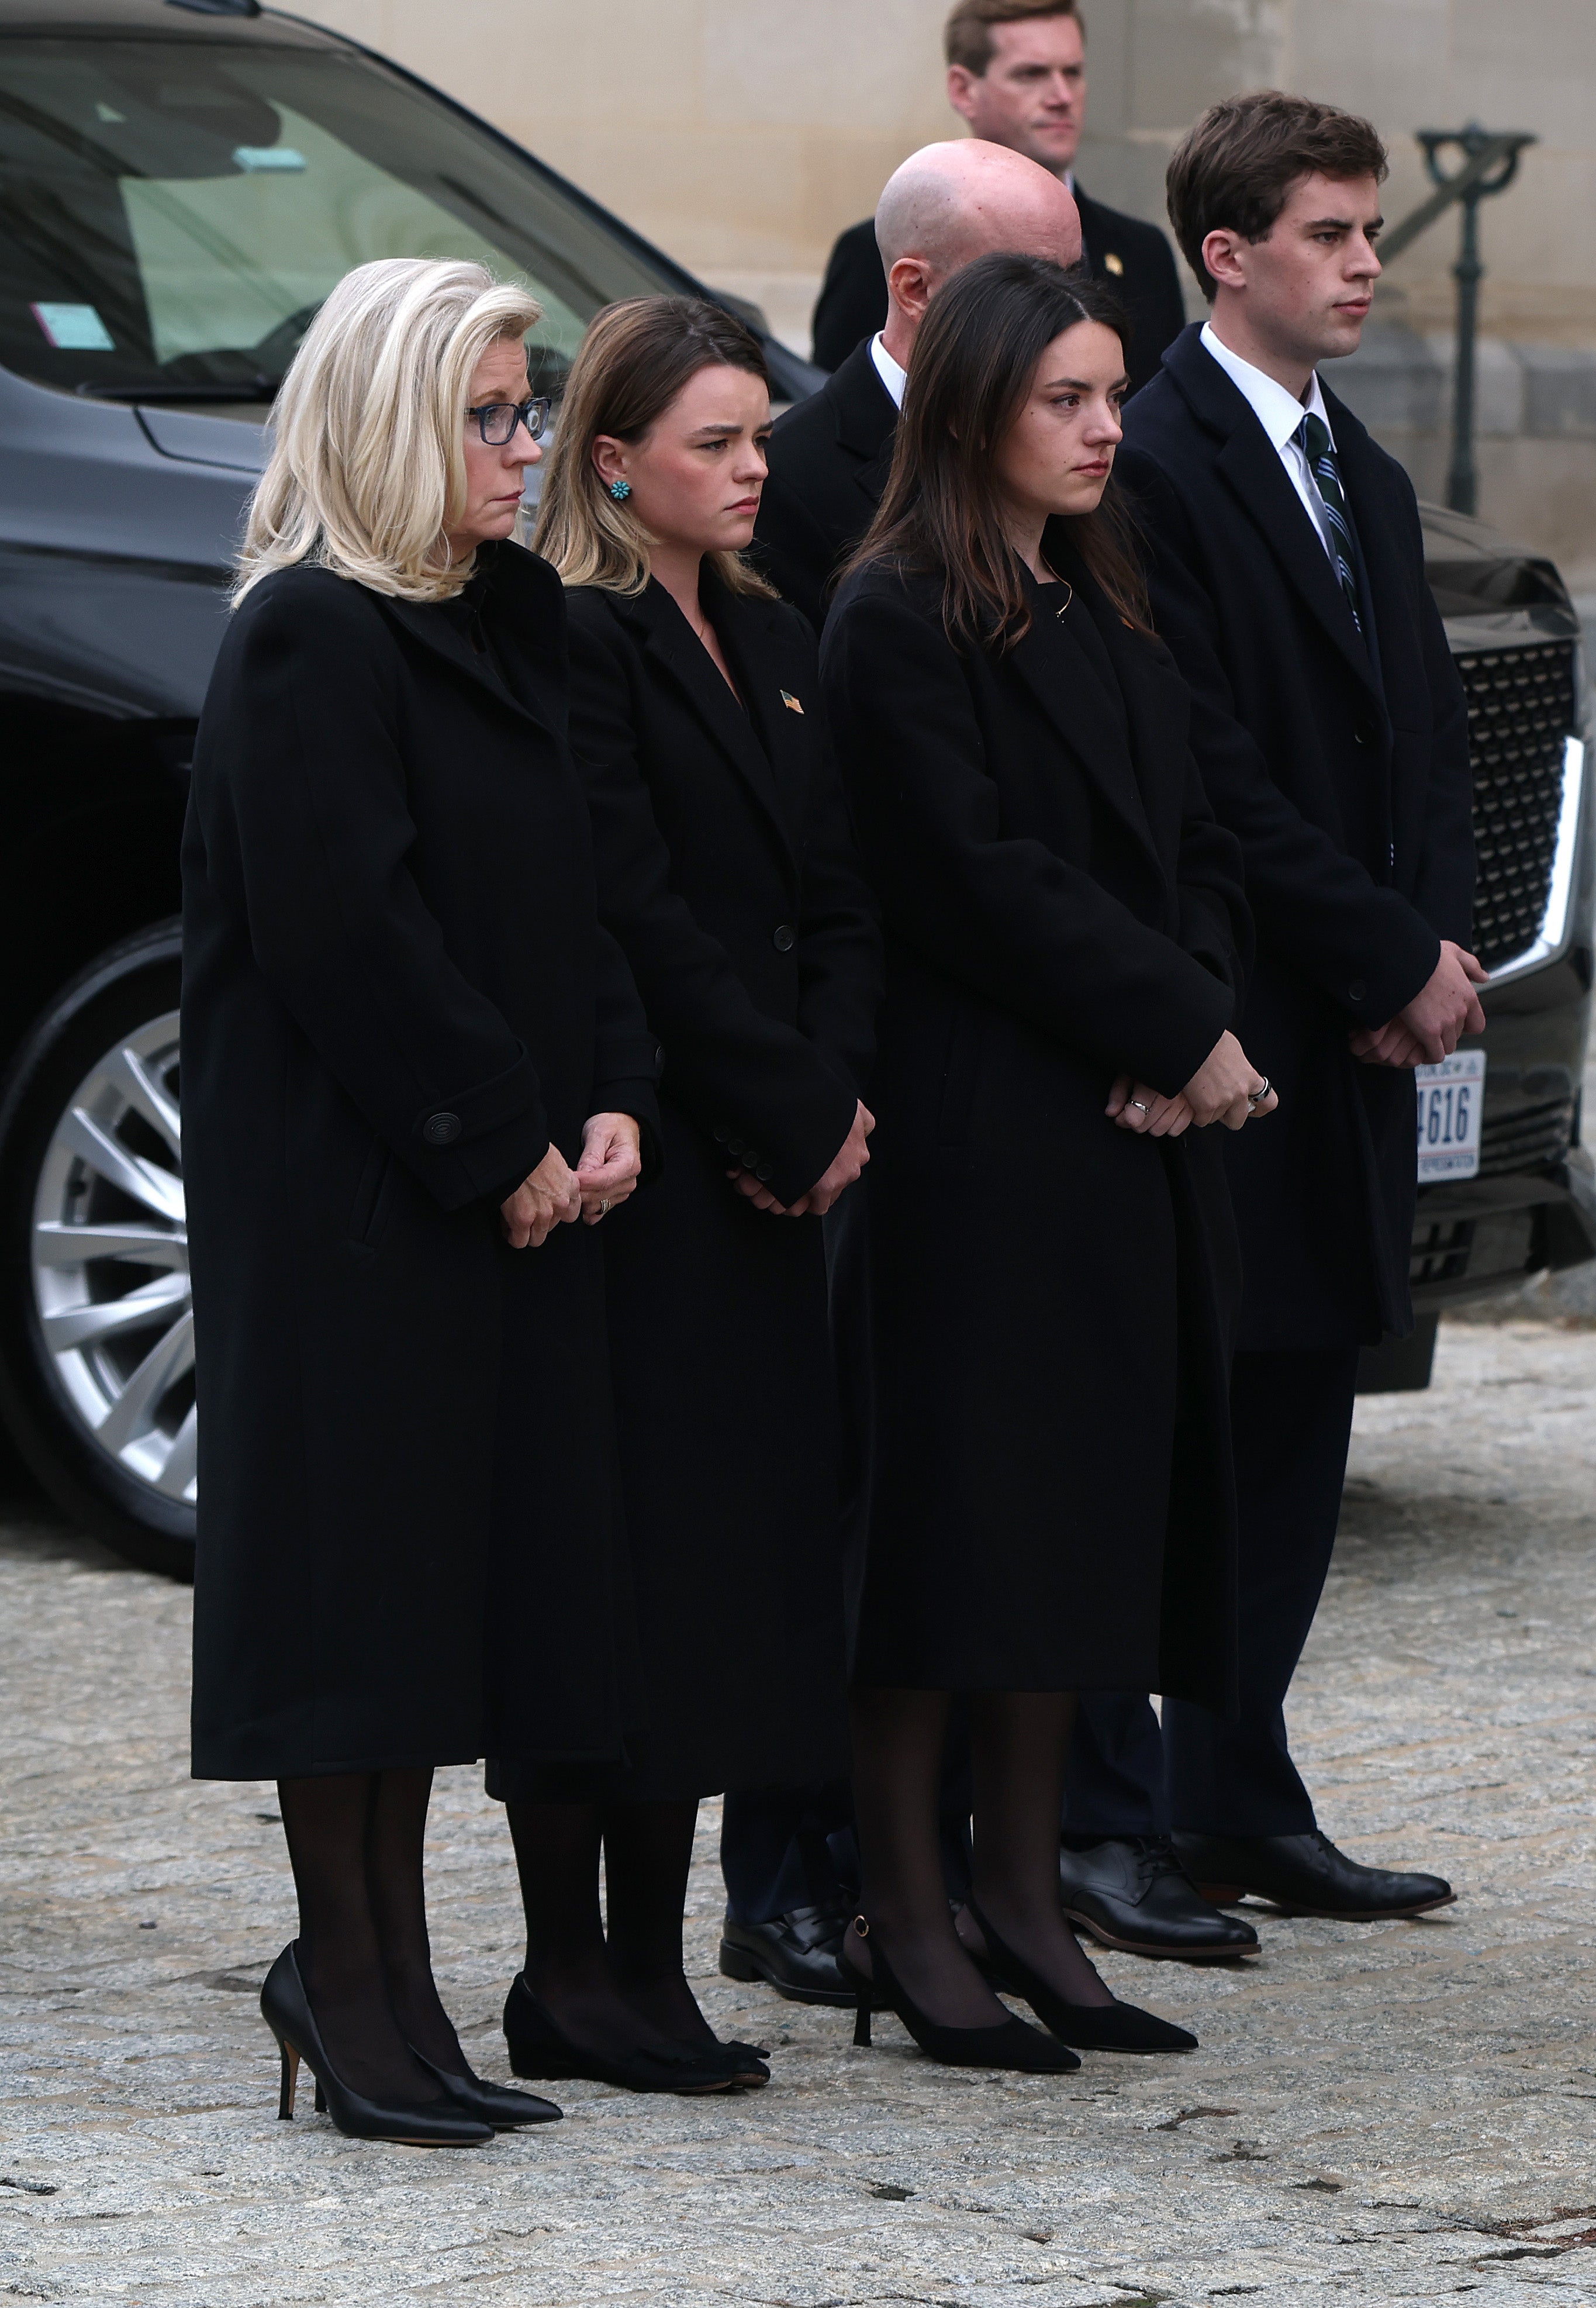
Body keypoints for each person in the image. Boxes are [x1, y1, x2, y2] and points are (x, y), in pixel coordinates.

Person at [184, 256, 651, 2144]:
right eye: (491, 412)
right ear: (385, 417)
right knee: (352, 1605)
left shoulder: (511, 613)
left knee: (450, 1599)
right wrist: (500, 1137)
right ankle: (348, 1978)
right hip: (354, 1192)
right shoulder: (311, 634)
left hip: (509, 1178)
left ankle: (396, 1983)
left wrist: (613, 1096)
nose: (528, 445)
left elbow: (584, 887)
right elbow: (345, 932)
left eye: (530, 408)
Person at [822, 250, 1264, 2072]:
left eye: (1110, 394)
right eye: (1066, 398)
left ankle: (1024, 1892)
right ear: (973, 409)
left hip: (1116, 1130)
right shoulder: (892, 615)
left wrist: (1198, 1029)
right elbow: (969, 877)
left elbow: (1201, 836)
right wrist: (1171, 1026)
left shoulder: (1101, 590)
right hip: (978, 1134)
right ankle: (904, 1911)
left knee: (1067, 1534)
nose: (1104, 427)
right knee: (949, 1538)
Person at [1076, 88, 1479, 1949]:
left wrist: (1436, 950)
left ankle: (1242, 1777)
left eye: (1370, 230)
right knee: (1166, 1418)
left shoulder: (1364, 473)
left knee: (1302, 1406)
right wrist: (1374, 953)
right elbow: (1206, 766)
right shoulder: (1146, 459)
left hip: (1349, 1032)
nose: (1367, 262)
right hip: (1226, 1022)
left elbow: (1420, 748)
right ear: (1226, 255)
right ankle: (1107, 1802)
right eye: (1329, 232)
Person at [722, 135, 1081, 2000]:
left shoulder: (1074, 514)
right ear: (927, 296)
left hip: (1004, 1075)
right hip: (851, 1058)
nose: (1080, 336)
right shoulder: (786, 475)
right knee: (845, 1488)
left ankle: (973, 1873)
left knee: (982, 1500)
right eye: (1038, 288)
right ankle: (793, 1868)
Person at [514, 296, 884, 2093]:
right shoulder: (577, 639)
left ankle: (653, 1961)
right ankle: (566, 1966)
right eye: (715, 446)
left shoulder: (768, 623)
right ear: (614, 464)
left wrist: (825, 1097)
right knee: (623, 1573)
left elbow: (836, 888)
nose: (755, 471)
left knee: (731, 1570)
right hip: (651, 1162)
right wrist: (772, 1097)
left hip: (768, 1160)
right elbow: (625, 902)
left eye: (759, 438)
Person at [751, 138, 1084, 630]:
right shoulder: (786, 483)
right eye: (1028, 284)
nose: (1070, 312)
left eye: (1074, 278)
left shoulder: (1088, 436)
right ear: (916, 290)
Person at [807, 0, 1183, 385]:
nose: (1062, 96)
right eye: (1031, 74)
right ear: (963, 89)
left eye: (1072, 73)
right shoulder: (875, 256)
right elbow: (846, 417)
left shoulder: (1143, 253)